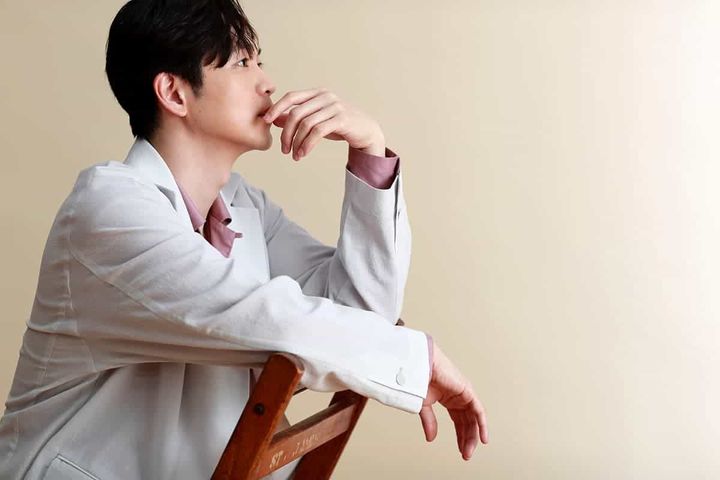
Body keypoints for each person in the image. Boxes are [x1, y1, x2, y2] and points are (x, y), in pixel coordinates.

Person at [0, 0, 488, 478]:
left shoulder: (244, 205)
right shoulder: (107, 211)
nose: (267, 82)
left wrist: (370, 152)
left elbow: (362, 315)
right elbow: (269, 318)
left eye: (259, 61)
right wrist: (416, 359)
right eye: (241, 62)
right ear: (174, 93)